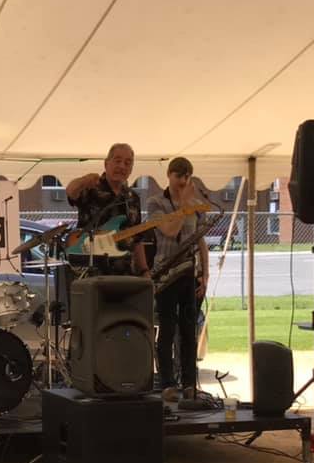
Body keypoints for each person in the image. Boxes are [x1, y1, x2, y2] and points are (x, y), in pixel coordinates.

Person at [146, 157, 209, 401]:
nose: (182, 181)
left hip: (189, 272)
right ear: (169, 175)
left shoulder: (195, 205)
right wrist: (183, 204)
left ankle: (189, 383)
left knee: (188, 330)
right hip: (166, 273)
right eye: (178, 176)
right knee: (168, 329)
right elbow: (170, 230)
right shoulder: (155, 202)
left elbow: (200, 239)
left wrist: (205, 273)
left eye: (186, 176)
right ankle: (168, 383)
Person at [65, 142, 150, 277]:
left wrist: (144, 270)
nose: (122, 166)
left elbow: (137, 240)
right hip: (91, 272)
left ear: (131, 169)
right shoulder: (91, 188)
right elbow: (70, 192)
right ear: (106, 163)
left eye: (127, 163)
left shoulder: (133, 198)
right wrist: (83, 180)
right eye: (117, 161)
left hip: (124, 273)